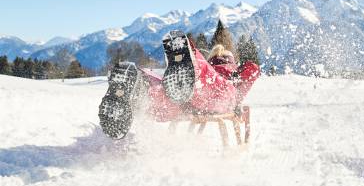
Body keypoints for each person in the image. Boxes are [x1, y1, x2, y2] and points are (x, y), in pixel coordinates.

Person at [98, 30, 260, 139]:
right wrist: (238, 73)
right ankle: (142, 89)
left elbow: (252, 70)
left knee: (162, 95)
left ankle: (142, 83)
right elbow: (254, 69)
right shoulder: (230, 76)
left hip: (189, 99)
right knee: (205, 83)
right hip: (207, 98)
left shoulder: (219, 70)